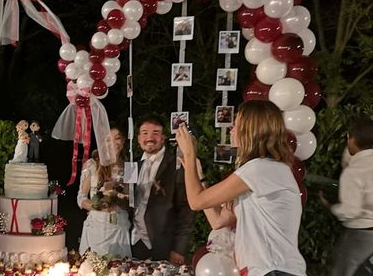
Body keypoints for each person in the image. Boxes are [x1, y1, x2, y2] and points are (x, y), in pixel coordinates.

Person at [175, 99, 306, 276]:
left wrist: (190, 154)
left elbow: (196, 202)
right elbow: (218, 221)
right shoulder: (263, 170)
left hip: (274, 270)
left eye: (236, 125)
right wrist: (199, 176)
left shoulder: (260, 169)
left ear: (250, 131)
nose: (232, 130)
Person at [131, 116, 195, 265]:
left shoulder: (176, 165)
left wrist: (179, 248)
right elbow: (127, 200)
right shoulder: (132, 165)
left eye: (155, 133)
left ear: (163, 137)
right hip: (132, 242)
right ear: (139, 138)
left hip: (163, 244)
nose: (150, 138)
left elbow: (187, 209)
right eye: (145, 133)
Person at [319, 116, 373, 276]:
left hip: (360, 234)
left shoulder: (354, 171)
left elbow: (350, 210)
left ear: (353, 139)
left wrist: (331, 207)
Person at [77, 123, 131, 258]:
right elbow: (81, 197)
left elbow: (132, 200)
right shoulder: (91, 165)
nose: (113, 143)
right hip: (96, 227)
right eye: (108, 139)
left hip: (119, 228)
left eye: (117, 138)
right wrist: (97, 206)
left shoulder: (130, 167)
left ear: (123, 142)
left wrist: (119, 198)